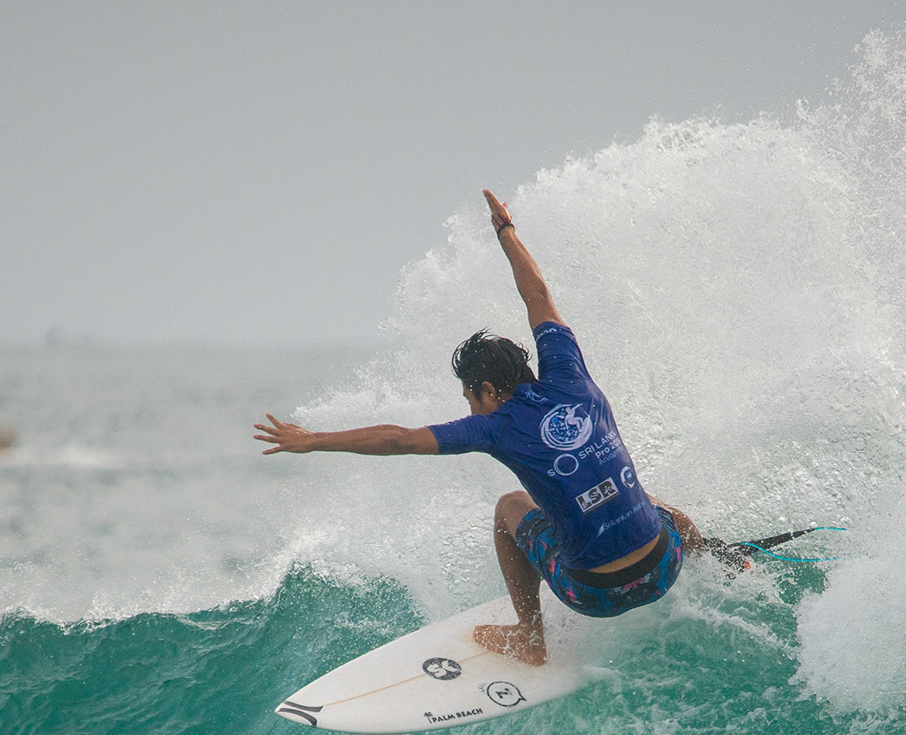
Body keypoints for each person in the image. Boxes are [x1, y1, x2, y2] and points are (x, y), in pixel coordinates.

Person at [254, 190, 704, 666]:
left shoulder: (495, 427)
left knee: (509, 506)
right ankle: (717, 559)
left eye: (469, 396)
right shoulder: (571, 374)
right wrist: (506, 230)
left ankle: (530, 637)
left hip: (592, 595)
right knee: (650, 503)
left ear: (488, 389)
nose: (469, 408)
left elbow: (401, 439)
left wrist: (313, 441)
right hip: (663, 566)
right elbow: (537, 295)